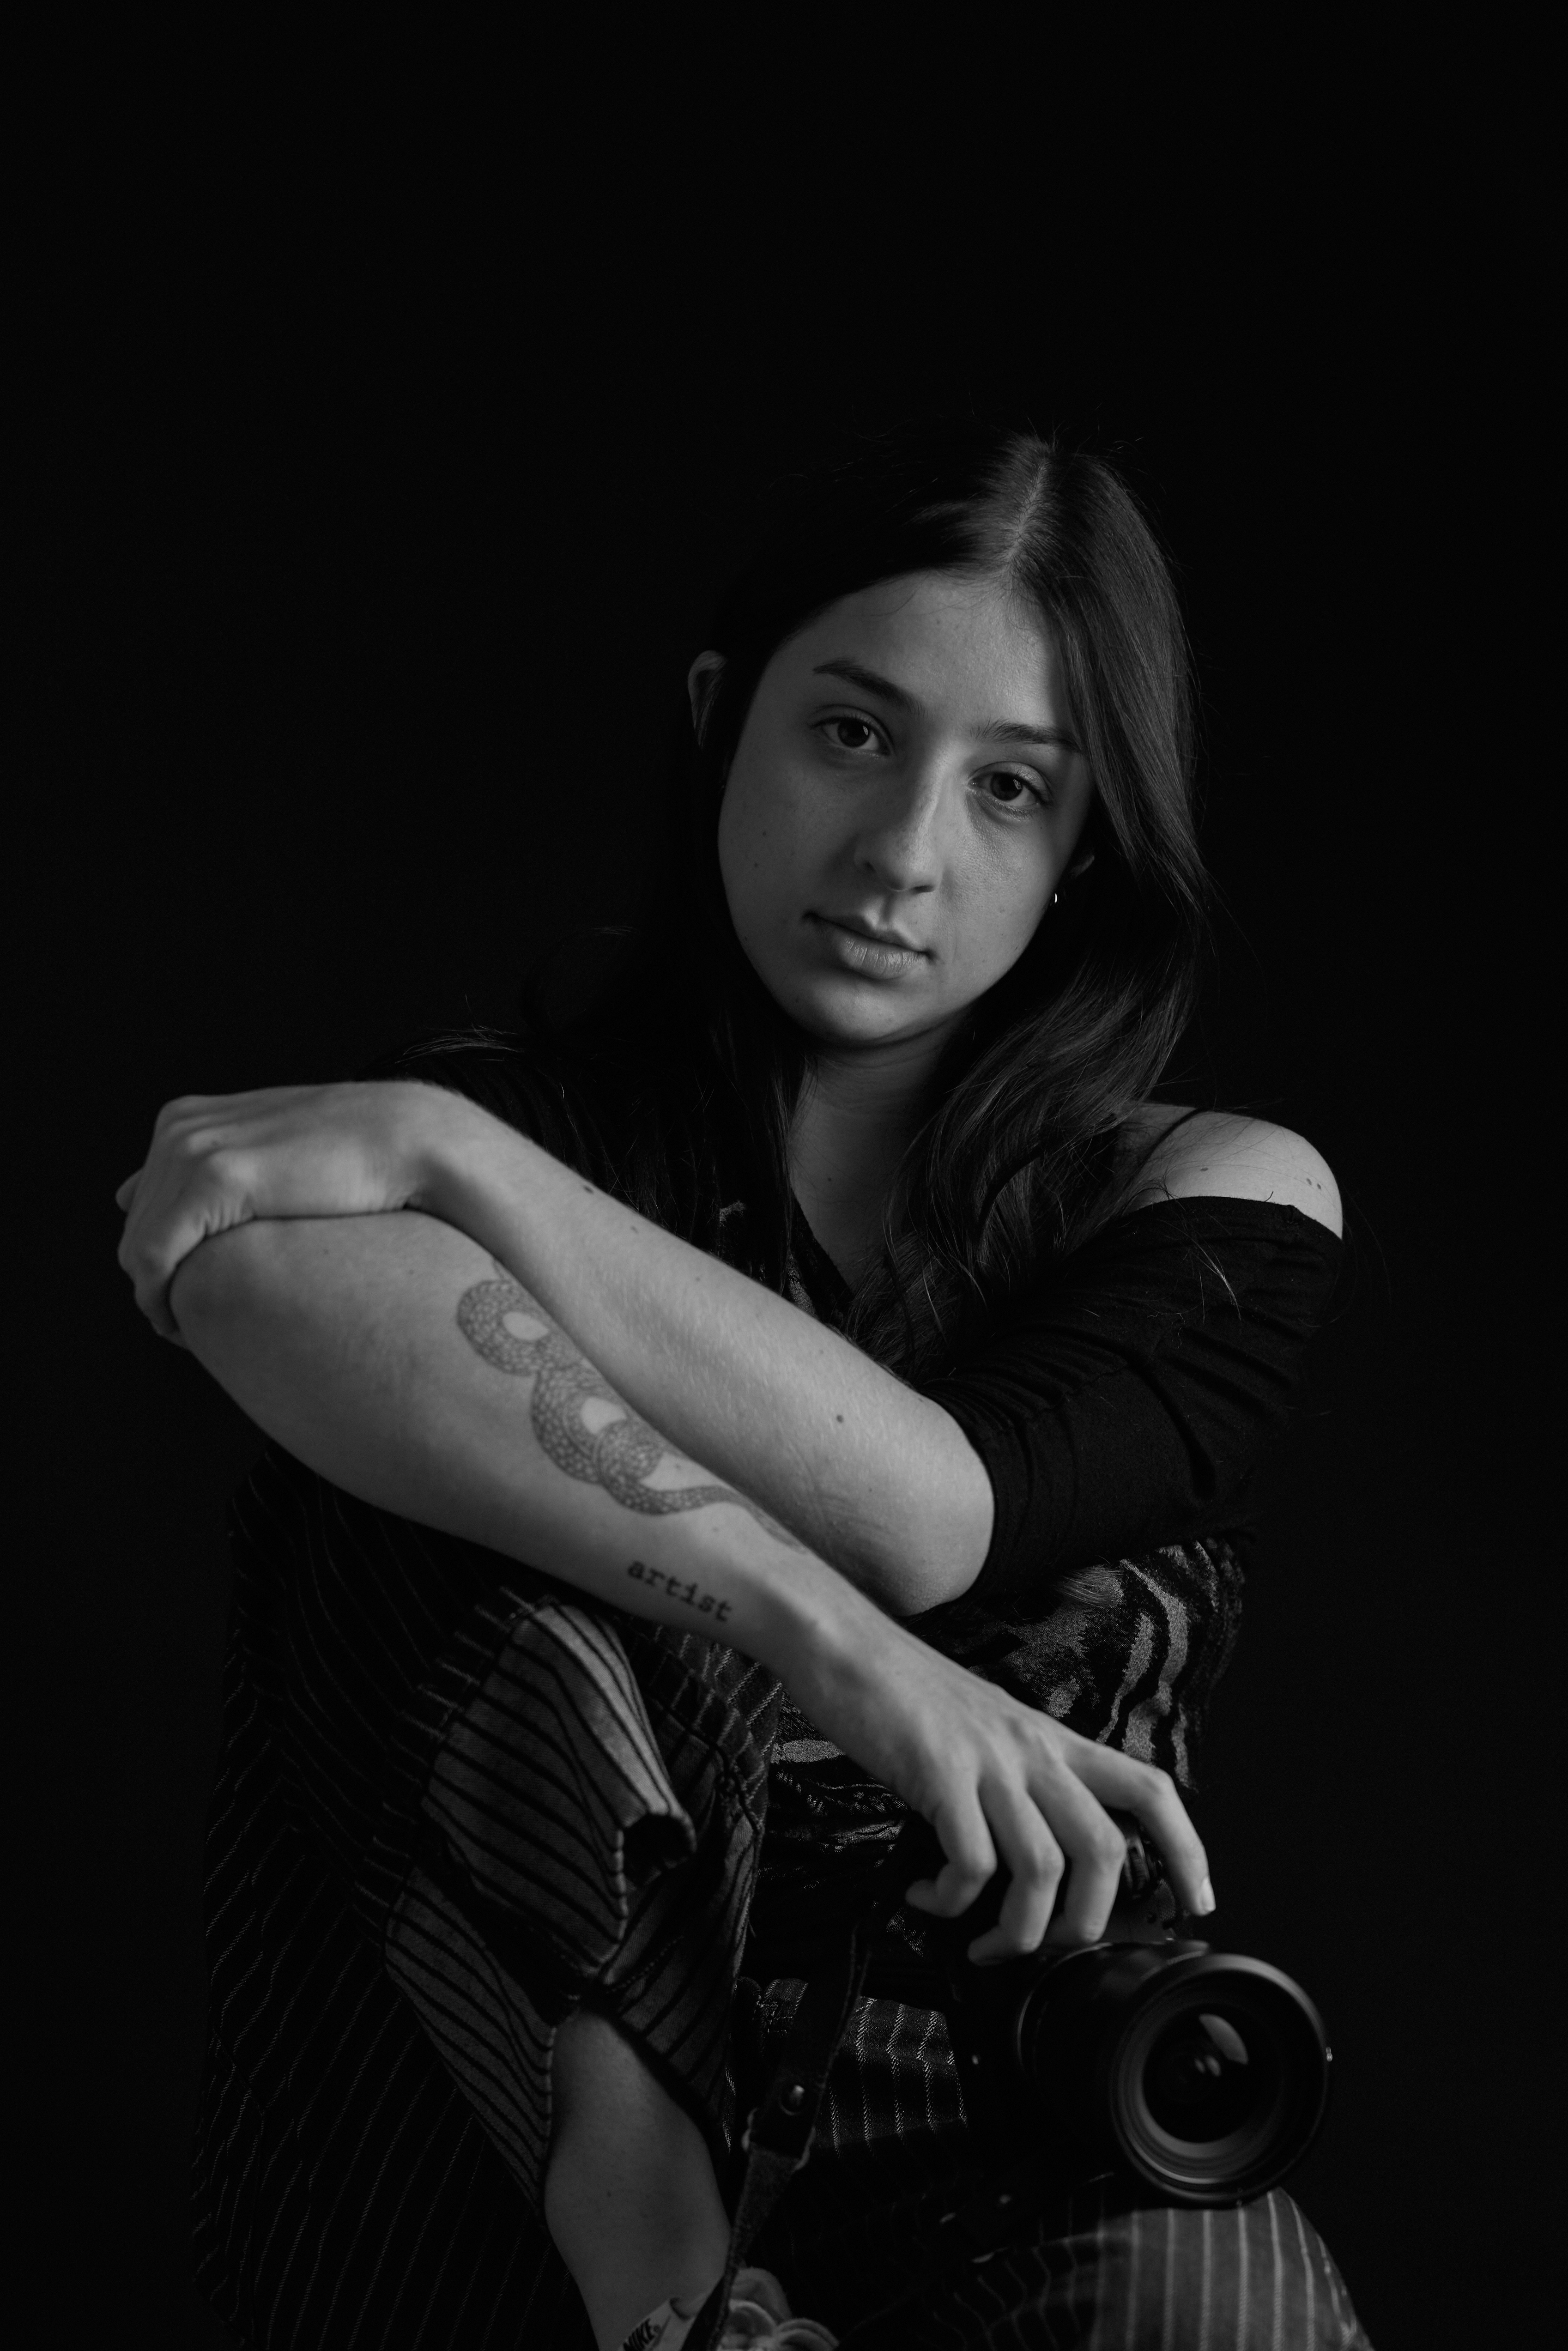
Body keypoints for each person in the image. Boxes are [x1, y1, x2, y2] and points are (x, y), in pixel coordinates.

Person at [117, 416, 1374, 2348]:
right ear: (722, 718)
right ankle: (664, 2258)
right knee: (434, 1471)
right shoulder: (536, 1135)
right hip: (517, 2121)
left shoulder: (1205, 1193)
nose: (901, 853)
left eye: (1010, 788)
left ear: (1084, 851)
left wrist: (451, 1164)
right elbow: (239, 1268)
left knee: (1216, 2316)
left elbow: (938, 1505)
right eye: (851, 733)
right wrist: (827, 1645)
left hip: (1021, 2105)